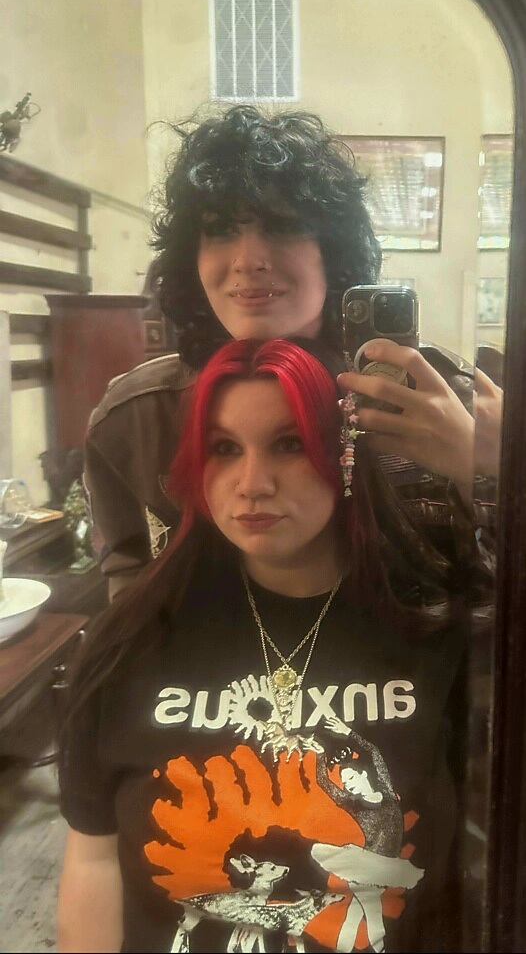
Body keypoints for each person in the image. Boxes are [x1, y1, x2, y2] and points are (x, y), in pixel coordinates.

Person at [58, 337, 479, 954]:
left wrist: (487, 464)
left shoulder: (436, 633)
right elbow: (92, 863)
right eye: (224, 448)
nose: (252, 484)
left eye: (289, 444)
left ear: (343, 456)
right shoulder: (127, 644)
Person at [83, 104, 498, 601]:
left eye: (281, 227)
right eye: (220, 229)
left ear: (332, 251)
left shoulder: (442, 396)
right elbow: (128, 581)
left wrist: (491, 468)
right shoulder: (135, 420)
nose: (249, 260)